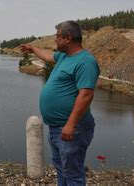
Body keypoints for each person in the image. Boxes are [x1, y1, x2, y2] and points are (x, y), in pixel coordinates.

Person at [20, 20, 100, 186]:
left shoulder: (85, 61)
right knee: (62, 169)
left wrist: (71, 124)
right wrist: (33, 48)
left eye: (57, 36)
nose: (55, 40)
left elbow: (86, 95)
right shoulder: (64, 56)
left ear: (68, 38)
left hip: (71, 129)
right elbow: (48, 56)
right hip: (57, 128)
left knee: (73, 174)